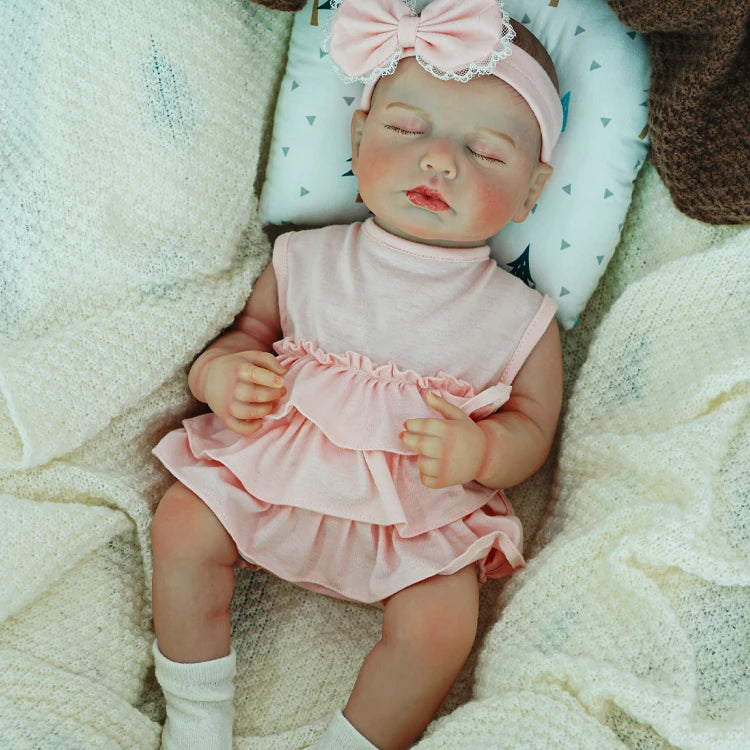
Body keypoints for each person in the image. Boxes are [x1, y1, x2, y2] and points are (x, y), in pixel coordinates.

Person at [149, 1, 564, 748]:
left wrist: (481, 452)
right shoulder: (305, 256)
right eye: (409, 129)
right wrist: (222, 376)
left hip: (416, 518)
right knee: (182, 526)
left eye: (487, 153)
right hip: (271, 474)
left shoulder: (520, 316)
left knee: (441, 628)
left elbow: (533, 428)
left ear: (533, 191)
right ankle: (197, 716)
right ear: (358, 135)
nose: (440, 160)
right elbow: (246, 336)